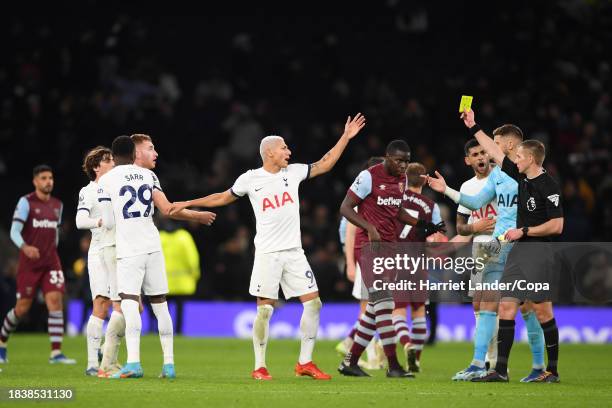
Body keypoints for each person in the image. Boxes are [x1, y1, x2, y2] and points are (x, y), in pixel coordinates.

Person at [170, 113, 367, 380]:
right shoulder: (250, 179)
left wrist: (345, 136)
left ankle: (305, 362)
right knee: (265, 309)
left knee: (315, 304)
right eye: (284, 147)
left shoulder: (294, 172)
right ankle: (259, 366)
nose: (289, 151)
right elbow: (221, 197)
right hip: (267, 254)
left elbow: (325, 164)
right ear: (270, 152)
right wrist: (188, 203)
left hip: (294, 253)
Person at [425, 125, 547, 382]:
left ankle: (538, 366)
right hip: (496, 246)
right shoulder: (497, 177)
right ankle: (480, 363)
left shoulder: (528, 174)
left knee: (527, 306)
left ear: (509, 145)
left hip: (522, 246)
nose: (490, 149)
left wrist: (472, 125)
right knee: (485, 302)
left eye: (495, 143)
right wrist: (445, 189)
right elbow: (474, 202)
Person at [98, 135, 216, 379]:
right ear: (134, 153)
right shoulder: (149, 176)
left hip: (129, 249)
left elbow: (108, 221)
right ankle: (169, 365)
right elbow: (167, 209)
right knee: (161, 307)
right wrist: (198, 216)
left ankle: (134, 363)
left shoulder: (107, 180)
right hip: (153, 245)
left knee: (130, 305)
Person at [461, 109, 563, 383]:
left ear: (530, 159)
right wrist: (473, 126)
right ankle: (500, 371)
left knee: (542, 310)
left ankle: (551, 370)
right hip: (518, 251)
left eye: (518, 156)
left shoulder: (548, 186)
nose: (513, 159)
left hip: (538, 252)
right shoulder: (519, 179)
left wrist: (525, 230)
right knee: (506, 307)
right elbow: (496, 153)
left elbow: (557, 225)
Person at [337, 140, 445, 378]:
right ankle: (393, 366)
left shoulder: (402, 179)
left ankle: (349, 362)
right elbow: (345, 208)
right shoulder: (367, 177)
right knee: (384, 305)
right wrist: (370, 228)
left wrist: (422, 225)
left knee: (374, 310)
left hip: (391, 249)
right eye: (399, 160)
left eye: (407, 161)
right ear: (387, 157)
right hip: (371, 249)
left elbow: (397, 211)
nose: (403, 165)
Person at [0, 165, 76, 364]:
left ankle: (56, 353)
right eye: (43, 178)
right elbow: (14, 232)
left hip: (51, 262)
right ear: (35, 181)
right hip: (30, 264)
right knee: (22, 308)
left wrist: (52, 251)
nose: (48, 181)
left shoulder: (58, 205)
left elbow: (55, 234)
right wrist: (25, 248)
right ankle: (2, 342)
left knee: (55, 302)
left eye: (50, 177)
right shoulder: (26, 203)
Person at [392, 162, 444, 373]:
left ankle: (406, 343)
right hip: (419, 263)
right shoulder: (432, 206)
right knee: (419, 312)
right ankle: (417, 361)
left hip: (396, 262)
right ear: (424, 180)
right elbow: (438, 238)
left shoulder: (395, 200)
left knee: (397, 312)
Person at [453, 139, 498, 375]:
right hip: (479, 250)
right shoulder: (467, 187)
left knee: (497, 305)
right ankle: (487, 363)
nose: (480, 157)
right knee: (479, 305)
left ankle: (494, 363)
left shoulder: (502, 178)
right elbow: (462, 227)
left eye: (483, 152)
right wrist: (476, 228)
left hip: (502, 246)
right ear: (467, 160)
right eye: (475, 154)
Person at [335, 157, 384, 370]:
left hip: (378, 258)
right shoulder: (359, 201)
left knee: (378, 307)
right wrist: (350, 264)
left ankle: (350, 343)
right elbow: (348, 235)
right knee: (368, 308)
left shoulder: (379, 198)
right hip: (364, 258)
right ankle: (370, 354)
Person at [75, 146, 120, 375]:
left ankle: (105, 349)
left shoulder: (117, 188)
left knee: (129, 306)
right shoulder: (89, 191)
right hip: (99, 252)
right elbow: (80, 220)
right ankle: (92, 363)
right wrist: (101, 222)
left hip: (120, 253)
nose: (113, 162)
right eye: (108, 160)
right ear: (96, 167)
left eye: (113, 158)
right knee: (101, 305)